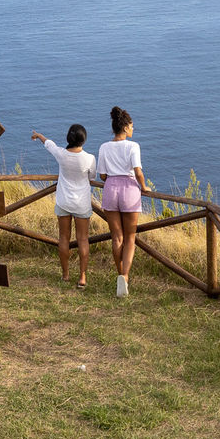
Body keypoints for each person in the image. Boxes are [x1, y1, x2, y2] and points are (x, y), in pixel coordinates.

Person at [32, 124, 97, 288]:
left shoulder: (61, 154)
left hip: (63, 201)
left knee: (63, 238)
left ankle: (65, 274)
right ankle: (82, 277)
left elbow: (50, 145)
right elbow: (93, 176)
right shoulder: (89, 158)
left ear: (69, 138)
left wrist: (39, 135)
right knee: (83, 239)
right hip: (81, 203)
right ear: (84, 139)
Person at [95, 106, 145, 296]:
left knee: (117, 237)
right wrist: (145, 187)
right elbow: (138, 171)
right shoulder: (133, 146)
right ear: (124, 128)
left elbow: (102, 174)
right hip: (130, 189)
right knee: (130, 237)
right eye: (131, 126)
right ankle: (125, 276)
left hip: (110, 189)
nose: (133, 129)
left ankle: (119, 275)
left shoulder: (104, 147)